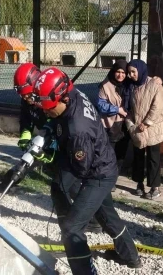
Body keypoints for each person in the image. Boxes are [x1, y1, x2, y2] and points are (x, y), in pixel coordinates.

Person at [34, 67, 141, 274]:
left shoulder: (77, 130)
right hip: (102, 160)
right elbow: (58, 121)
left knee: (72, 228)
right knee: (107, 215)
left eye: (49, 107)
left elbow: (80, 168)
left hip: (98, 173)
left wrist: (51, 159)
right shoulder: (72, 92)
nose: (46, 111)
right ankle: (131, 256)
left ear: (62, 98)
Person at [12, 63, 103, 234]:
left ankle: (82, 222)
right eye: (23, 97)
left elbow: (58, 124)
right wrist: (25, 134)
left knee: (65, 183)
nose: (27, 100)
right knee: (68, 184)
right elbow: (25, 117)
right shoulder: (28, 98)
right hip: (48, 139)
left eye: (29, 96)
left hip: (64, 142)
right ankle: (88, 218)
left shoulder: (52, 97)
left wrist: (50, 150)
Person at [124, 59, 163, 199]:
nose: (131, 74)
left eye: (133, 71)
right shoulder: (131, 86)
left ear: (141, 70)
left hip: (153, 128)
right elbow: (130, 108)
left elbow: (158, 106)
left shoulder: (154, 85)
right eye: (129, 72)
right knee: (138, 157)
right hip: (138, 128)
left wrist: (147, 122)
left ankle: (155, 188)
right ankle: (139, 184)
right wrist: (131, 124)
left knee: (153, 157)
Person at [96, 60, 131, 179]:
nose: (120, 75)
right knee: (109, 153)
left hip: (125, 124)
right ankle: (107, 178)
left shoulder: (129, 84)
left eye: (123, 72)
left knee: (121, 153)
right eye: (118, 72)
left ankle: (114, 178)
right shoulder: (105, 85)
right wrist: (117, 110)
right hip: (110, 125)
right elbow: (101, 105)